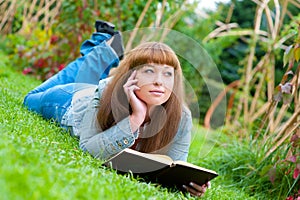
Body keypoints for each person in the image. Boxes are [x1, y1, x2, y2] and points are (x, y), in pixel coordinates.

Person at [23, 30, 209, 197]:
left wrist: (188, 183)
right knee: (29, 99)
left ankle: (103, 50)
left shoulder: (181, 116)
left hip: (94, 92)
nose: (159, 82)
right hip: (69, 103)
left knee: (90, 80)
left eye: (167, 74)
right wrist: (135, 118)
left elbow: (175, 165)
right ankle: (100, 49)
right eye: (150, 71)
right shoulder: (106, 92)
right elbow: (88, 148)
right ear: (131, 75)